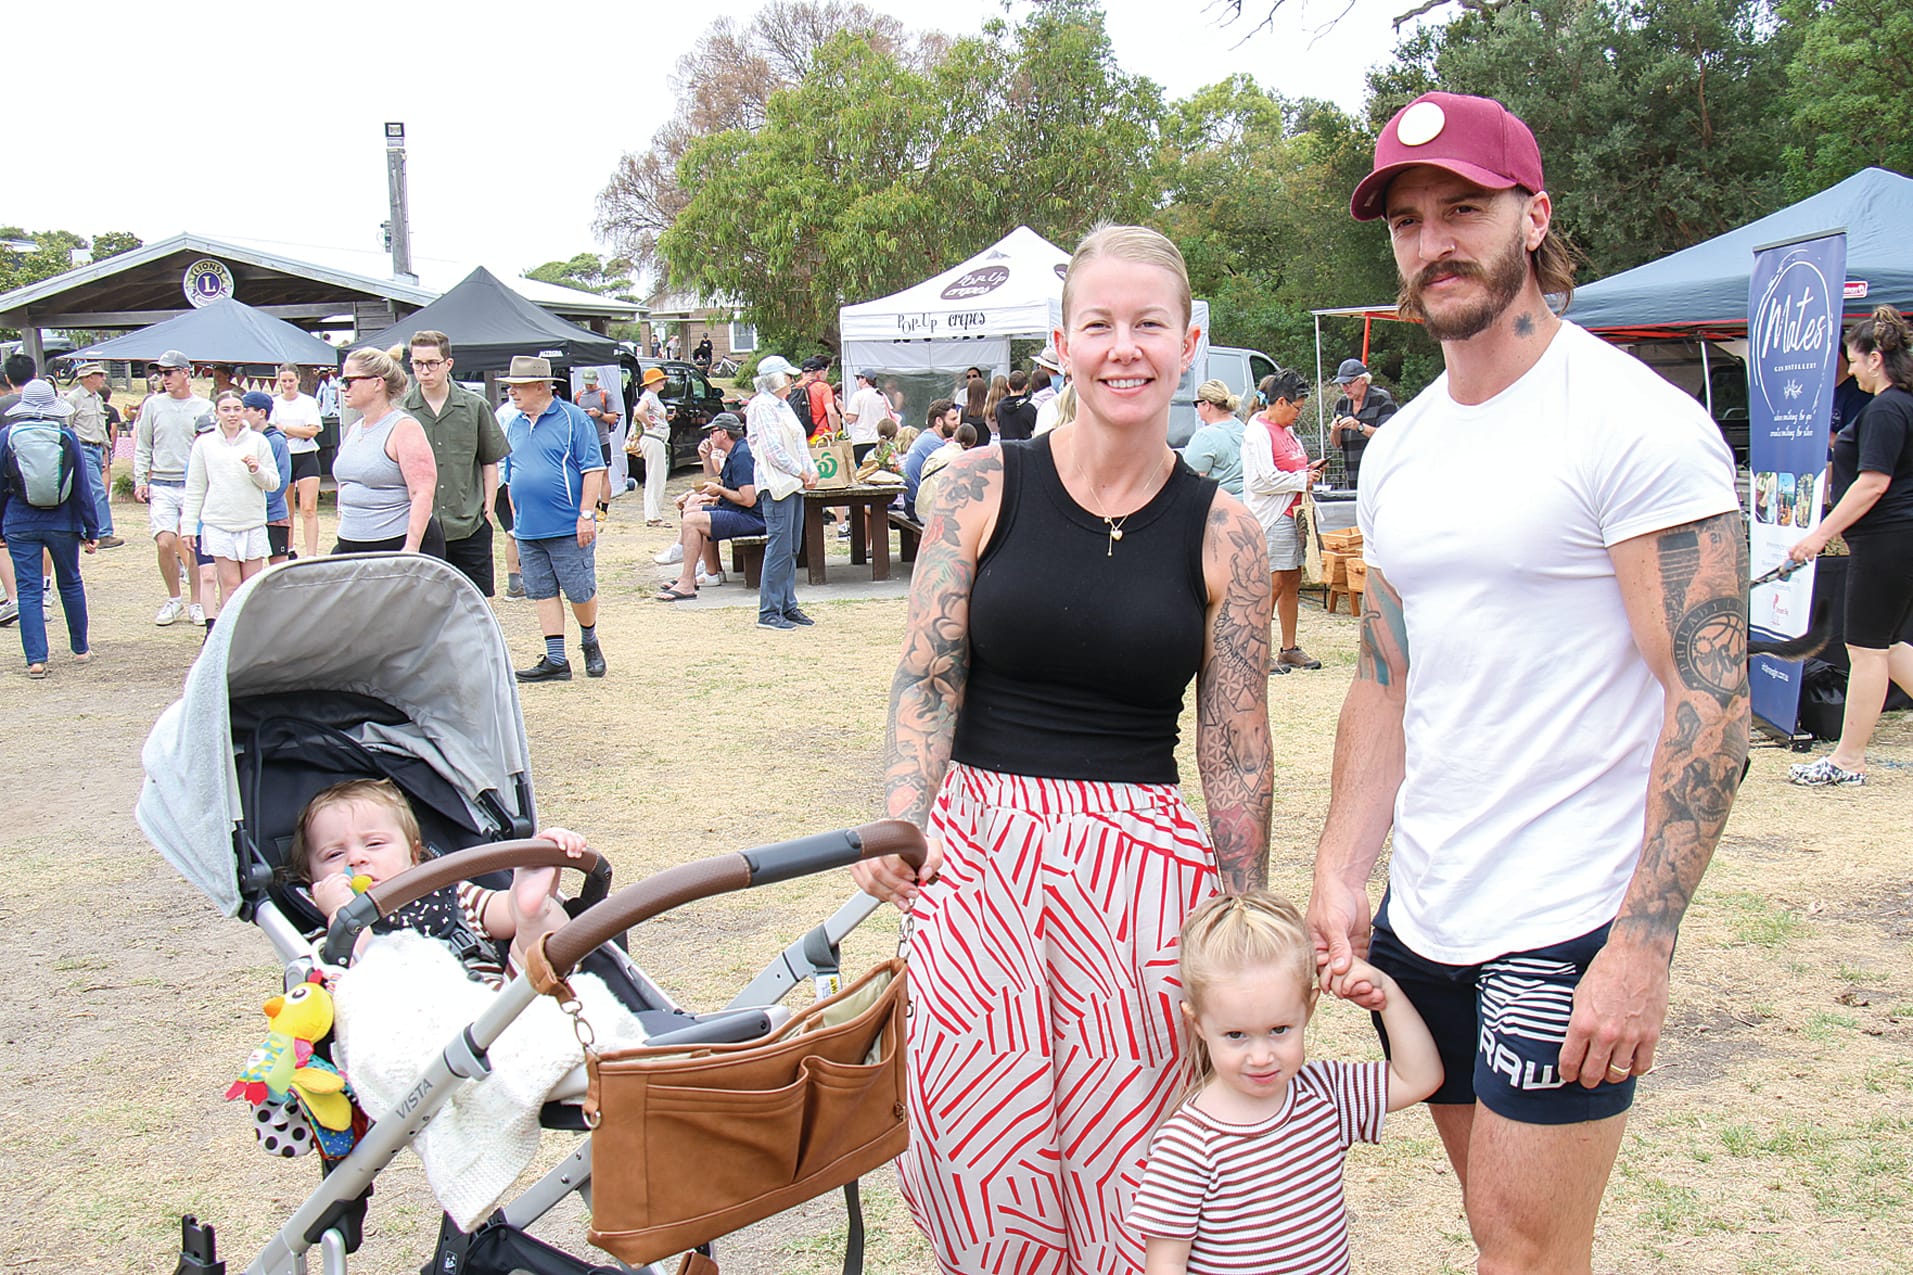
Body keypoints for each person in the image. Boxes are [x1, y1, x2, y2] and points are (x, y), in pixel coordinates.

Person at [1313, 91, 1747, 1275]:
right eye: (1406, 220)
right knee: (1502, 1236)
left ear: (1533, 215)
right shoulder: (1399, 446)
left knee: (1520, 1249)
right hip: (1430, 909)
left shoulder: (1627, 424)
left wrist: (1641, 942)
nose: (1432, 241)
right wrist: (1342, 869)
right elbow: (1383, 675)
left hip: (1563, 917)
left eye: (1463, 207)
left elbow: (1709, 695)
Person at [848, 225, 1275, 1274]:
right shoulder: (975, 486)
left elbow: (1234, 748)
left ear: (1188, 343)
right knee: (972, 1139)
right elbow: (928, 673)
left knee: (1136, 1160)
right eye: (1099, 325)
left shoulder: (1226, 533)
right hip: (974, 851)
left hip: (1142, 874)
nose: (1123, 348)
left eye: (1148, 325)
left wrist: (1246, 924)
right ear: (1061, 343)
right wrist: (902, 810)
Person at [1129, 891, 1442, 1275]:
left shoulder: (1324, 1096)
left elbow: (1419, 1078)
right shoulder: (1188, 1144)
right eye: (1236, 1035)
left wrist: (1387, 994)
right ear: (1197, 1024)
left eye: (1279, 1029)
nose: (1261, 1056)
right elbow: (1165, 1263)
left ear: (1307, 1009)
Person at [1785, 304, 1913, 786]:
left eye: (1855, 360)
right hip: (1896, 539)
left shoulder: (1885, 409)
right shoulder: (1902, 404)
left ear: (1876, 358)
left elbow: (1871, 483)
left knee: (1864, 650)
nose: (1851, 369)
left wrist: (1819, 534)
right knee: (1889, 642)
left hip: (1887, 540)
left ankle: (1848, 760)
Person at [292, 778, 585, 983]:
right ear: (311, 877)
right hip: (420, 1036)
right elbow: (362, 974)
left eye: (374, 844)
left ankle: (534, 905)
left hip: (500, 1011)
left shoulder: (451, 893)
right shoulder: (324, 938)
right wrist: (342, 914)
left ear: (414, 853)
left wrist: (520, 902)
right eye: (334, 854)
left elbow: (503, 915)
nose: (355, 859)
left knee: (536, 929)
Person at [499, 356, 607, 680]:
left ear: (540, 386)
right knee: (541, 591)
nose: (513, 394)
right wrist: (515, 516)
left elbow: (593, 469)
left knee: (580, 590)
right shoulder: (514, 424)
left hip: (567, 526)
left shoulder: (573, 419)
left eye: (518, 387)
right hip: (529, 528)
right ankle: (556, 659)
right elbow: (511, 472)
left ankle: (589, 640)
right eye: (510, 388)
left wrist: (586, 515)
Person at [0, 380, 99, 677]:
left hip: (19, 521)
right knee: (70, 582)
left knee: (29, 589)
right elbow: (82, 487)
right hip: (63, 521)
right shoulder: (66, 436)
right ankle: (80, 649)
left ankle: (36, 660)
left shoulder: (7, 436)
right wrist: (91, 529)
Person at [401, 332, 508, 595]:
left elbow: (490, 460)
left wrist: (489, 509)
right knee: (427, 604)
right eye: (417, 364)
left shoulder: (475, 407)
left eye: (432, 363)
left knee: (478, 600)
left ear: (448, 364)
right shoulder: (402, 412)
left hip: (470, 523)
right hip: (422, 526)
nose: (424, 371)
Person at [1242, 369, 1327, 674]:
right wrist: (1299, 479)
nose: (1298, 414)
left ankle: (1288, 649)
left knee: (1292, 581)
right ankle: (1256, 650)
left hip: (1295, 514)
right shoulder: (1257, 432)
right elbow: (1260, 480)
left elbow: (1293, 467)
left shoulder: (1286, 431)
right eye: (1297, 408)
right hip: (1273, 517)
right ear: (1280, 402)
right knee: (1273, 583)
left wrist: (1308, 471)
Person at [182, 390, 279, 634]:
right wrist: (188, 527)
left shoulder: (258, 441)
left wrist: (257, 470)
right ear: (216, 413)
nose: (232, 414)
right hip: (219, 523)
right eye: (226, 409)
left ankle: (253, 635)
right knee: (230, 584)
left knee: (251, 585)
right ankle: (229, 637)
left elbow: (273, 482)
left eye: (237, 409)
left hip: (251, 522)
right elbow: (195, 487)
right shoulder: (204, 444)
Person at [331, 348, 442, 558]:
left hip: (395, 544)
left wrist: (411, 548)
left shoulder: (404, 428)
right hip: (351, 544)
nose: (343, 388)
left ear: (377, 383)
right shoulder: (354, 429)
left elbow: (422, 492)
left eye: (348, 381)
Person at [132, 349, 211, 625]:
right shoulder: (153, 405)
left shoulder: (203, 407)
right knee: (165, 542)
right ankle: (174, 598)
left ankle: (197, 601)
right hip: (162, 482)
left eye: (169, 372)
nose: (163, 378)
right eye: (160, 373)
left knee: (193, 544)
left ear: (185, 373)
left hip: (193, 483)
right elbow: (143, 443)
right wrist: (140, 478)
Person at [746, 355, 818, 629]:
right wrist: (802, 472)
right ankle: (769, 610)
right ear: (775, 378)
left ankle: (787, 605)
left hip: (794, 483)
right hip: (777, 484)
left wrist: (810, 471)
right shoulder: (761, 406)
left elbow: (800, 444)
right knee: (779, 547)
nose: (792, 381)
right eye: (787, 376)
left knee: (791, 548)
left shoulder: (783, 405)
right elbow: (773, 450)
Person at [657, 414, 761, 601]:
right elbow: (715, 482)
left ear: (723, 433)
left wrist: (720, 490)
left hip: (751, 516)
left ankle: (687, 583)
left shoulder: (742, 455)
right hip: (738, 510)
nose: (709, 436)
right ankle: (703, 573)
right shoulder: (734, 453)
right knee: (691, 511)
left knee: (692, 521)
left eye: (712, 432)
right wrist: (705, 459)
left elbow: (748, 499)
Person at [64, 363, 123, 548]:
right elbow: (67, 428)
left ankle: (85, 531)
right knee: (97, 491)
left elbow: (101, 428)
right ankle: (103, 532)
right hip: (82, 449)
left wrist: (105, 452)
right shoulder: (73, 399)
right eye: (99, 375)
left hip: (97, 449)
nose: (103, 378)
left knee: (88, 492)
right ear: (88, 377)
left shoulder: (97, 398)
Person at [271, 365, 326, 560]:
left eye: (291, 380)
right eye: (284, 381)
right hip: (284, 456)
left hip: (306, 456)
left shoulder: (308, 402)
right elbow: (272, 431)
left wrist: (286, 428)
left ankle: (311, 554)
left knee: (308, 507)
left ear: (298, 380)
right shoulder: (274, 403)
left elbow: (312, 431)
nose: (287, 384)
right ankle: (289, 549)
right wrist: (299, 431)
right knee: (287, 509)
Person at [1327, 358, 1398, 489]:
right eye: (1342, 384)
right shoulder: (1342, 403)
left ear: (1363, 380)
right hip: (1353, 476)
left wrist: (1359, 427)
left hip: (1379, 476)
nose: (1345, 388)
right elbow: (1336, 444)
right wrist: (1334, 431)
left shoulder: (1382, 399)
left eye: (1348, 383)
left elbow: (1389, 437)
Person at [242, 391, 294, 563]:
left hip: (274, 515)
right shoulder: (244, 441)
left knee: (278, 567)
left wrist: (263, 503)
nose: (241, 414)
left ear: (261, 413)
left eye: (245, 409)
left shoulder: (277, 441)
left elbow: (282, 479)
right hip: (249, 514)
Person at [1181, 378, 1246, 498]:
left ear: (1206, 404)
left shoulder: (1205, 437)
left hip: (1219, 507)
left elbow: (1190, 483)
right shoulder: (1244, 429)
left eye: (1196, 404)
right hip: (1248, 504)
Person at [574, 368, 621, 520]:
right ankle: (592, 505)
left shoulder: (605, 395)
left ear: (596, 380)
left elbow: (613, 418)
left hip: (601, 439)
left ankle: (605, 508)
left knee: (604, 474)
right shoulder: (578, 396)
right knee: (585, 473)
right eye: (586, 383)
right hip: (584, 441)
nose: (588, 386)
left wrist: (599, 414)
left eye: (591, 383)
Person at [901, 399, 957, 520]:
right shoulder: (934, 445)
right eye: (953, 419)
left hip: (911, 503)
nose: (957, 423)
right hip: (919, 508)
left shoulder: (926, 438)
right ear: (939, 421)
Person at [632, 366, 671, 527]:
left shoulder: (653, 397)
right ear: (652, 383)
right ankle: (653, 516)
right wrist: (648, 422)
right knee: (656, 477)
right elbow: (638, 412)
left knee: (657, 477)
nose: (663, 382)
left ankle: (654, 514)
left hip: (658, 439)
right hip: (653, 438)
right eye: (660, 380)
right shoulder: (648, 397)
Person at [843, 370, 892, 464]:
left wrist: (841, 409)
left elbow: (850, 419)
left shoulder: (858, 395)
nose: (857, 381)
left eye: (858, 378)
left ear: (864, 379)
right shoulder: (881, 395)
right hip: (878, 440)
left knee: (861, 471)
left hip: (861, 440)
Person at [994, 370, 1036, 442]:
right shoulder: (1029, 408)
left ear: (1008, 385)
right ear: (1026, 386)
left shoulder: (999, 407)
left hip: (1006, 448)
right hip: (1025, 448)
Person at [960, 377, 992, 446]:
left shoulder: (962, 412)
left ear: (969, 393)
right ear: (985, 393)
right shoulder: (989, 411)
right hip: (985, 450)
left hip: (968, 451)